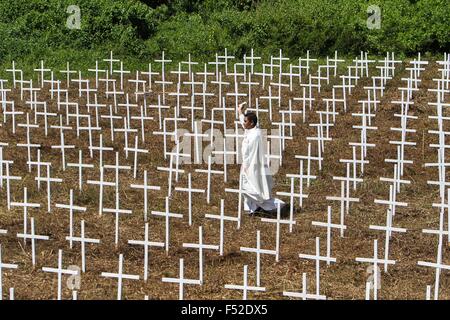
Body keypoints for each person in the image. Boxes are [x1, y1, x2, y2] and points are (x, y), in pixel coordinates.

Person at [237, 102, 288, 216]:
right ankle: (252, 209)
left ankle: (276, 205)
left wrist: (245, 165)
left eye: (246, 121)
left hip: (251, 166)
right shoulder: (251, 129)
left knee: (249, 188)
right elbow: (243, 123)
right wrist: (240, 111)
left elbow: (249, 152)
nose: (244, 123)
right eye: (244, 121)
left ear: (252, 123)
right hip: (249, 166)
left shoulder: (255, 135)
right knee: (251, 187)